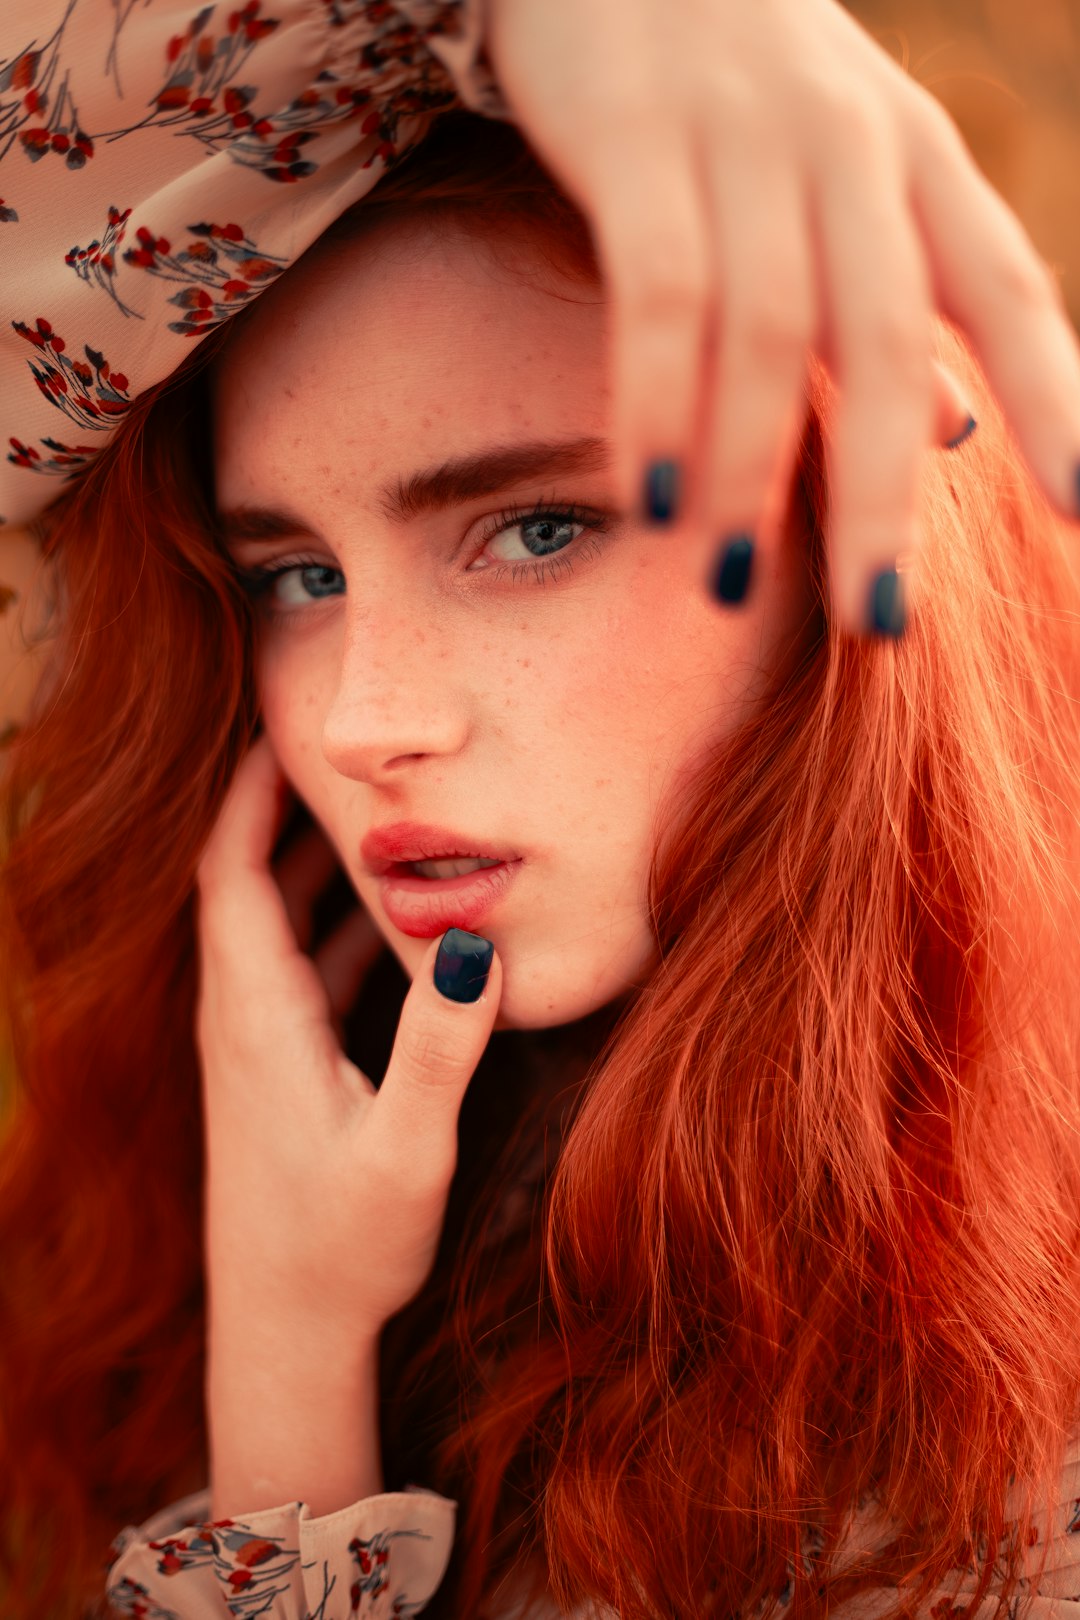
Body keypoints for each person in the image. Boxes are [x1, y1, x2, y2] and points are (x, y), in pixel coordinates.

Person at [1, 3, 1080, 1619]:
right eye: (295, 574)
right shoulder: (286, 1206)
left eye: (535, 533)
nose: (365, 722)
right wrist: (293, 1342)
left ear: (847, 526)